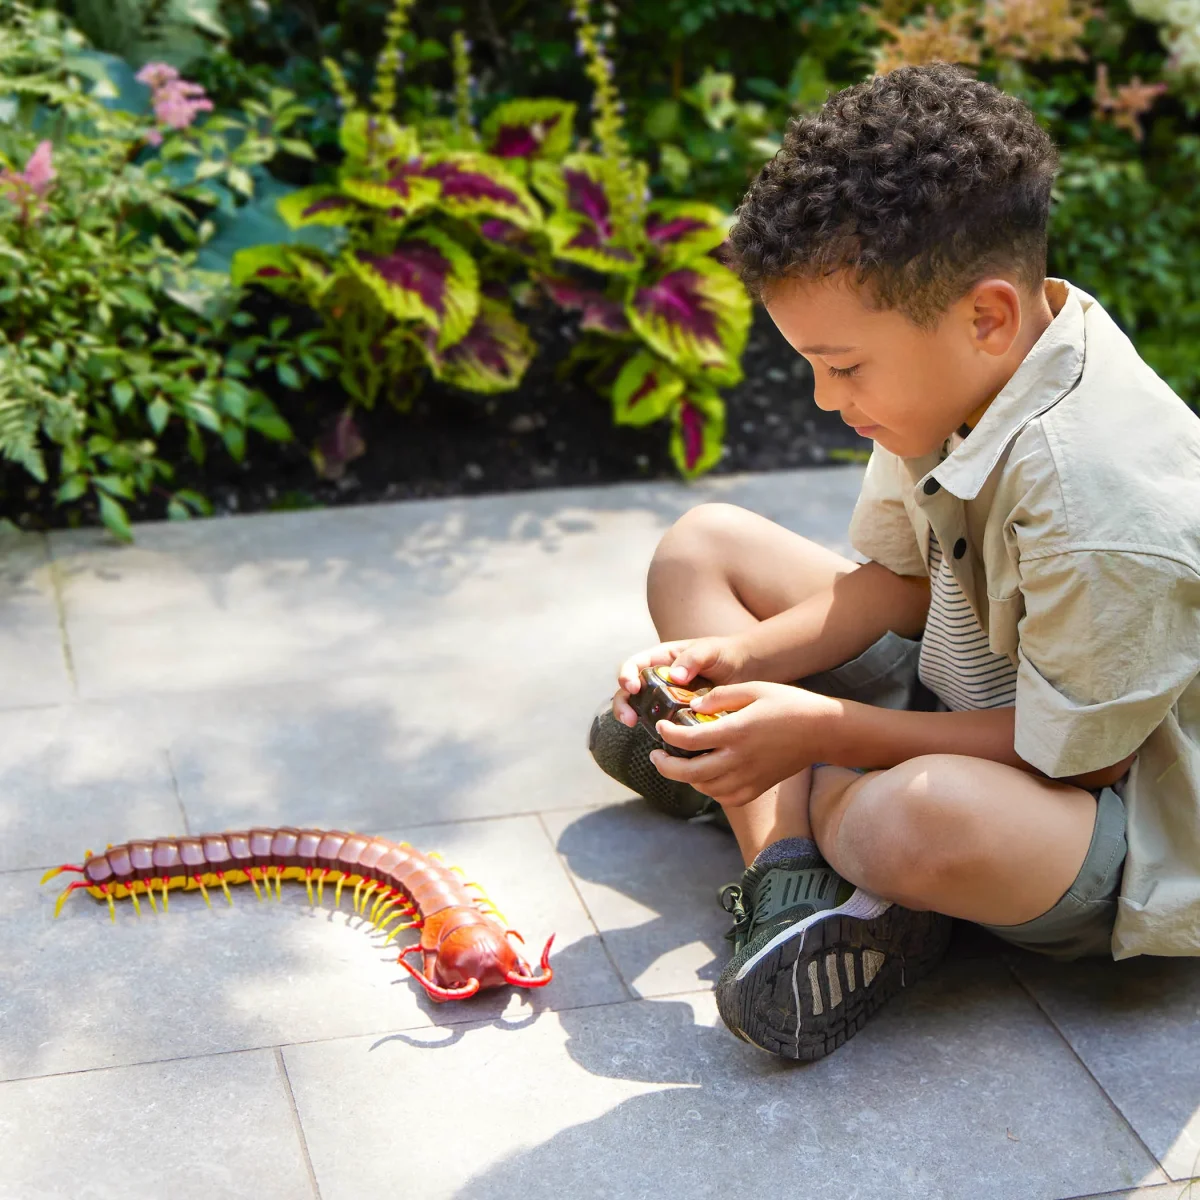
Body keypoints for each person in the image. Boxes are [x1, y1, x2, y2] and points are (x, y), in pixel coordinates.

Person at [588, 62, 1200, 1061]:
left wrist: (820, 726)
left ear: (986, 316)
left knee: (906, 823)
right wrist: (738, 665)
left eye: (844, 368)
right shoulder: (958, 374)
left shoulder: (1101, 498)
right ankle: (787, 857)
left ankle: (785, 807)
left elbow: (1084, 755)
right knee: (700, 549)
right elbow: (895, 586)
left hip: (1107, 820)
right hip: (960, 694)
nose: (830, 401)